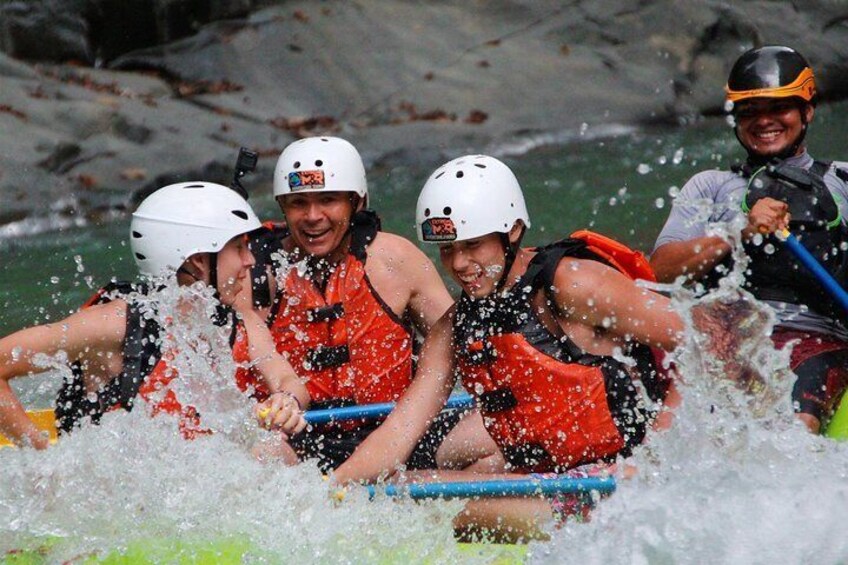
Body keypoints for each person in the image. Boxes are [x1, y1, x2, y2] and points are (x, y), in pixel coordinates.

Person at [333, 155, 687, 538]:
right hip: (552, 479)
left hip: (622, 481)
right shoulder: (455, 327)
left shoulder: (571, 285)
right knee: (400, 487)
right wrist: (324, 491)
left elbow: (700, 343)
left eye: (473, 245)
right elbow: (399, 432)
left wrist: (656, 456)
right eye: (448, 249)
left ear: (513, 230)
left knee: (419, 498)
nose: (459, 264)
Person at [0, 181, 308, 450]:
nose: (250, 259)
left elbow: (287, 380)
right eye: (239, 248)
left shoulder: (239, 324)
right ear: (199, 260)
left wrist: (287, 401)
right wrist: (42, 455)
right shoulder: (118, 323)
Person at [651, 45, 848, 433]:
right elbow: (659, 270)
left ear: (806, 111)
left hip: (817, 339)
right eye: (750, 113)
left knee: (798, 427)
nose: (764, 122)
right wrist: (736, 232)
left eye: (779, 109)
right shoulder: (710, 186)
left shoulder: (843, 181)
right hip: (727, 336)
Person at [234, 136, 455, 471]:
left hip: (398, 434)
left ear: (356, 202)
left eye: (328, 200)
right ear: (282, 206)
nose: (312, 216)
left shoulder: (396, 260)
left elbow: (468, 348)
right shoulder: (254, 271)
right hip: (300, 442)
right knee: (262, 457)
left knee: (489, 440)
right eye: (298, 203)